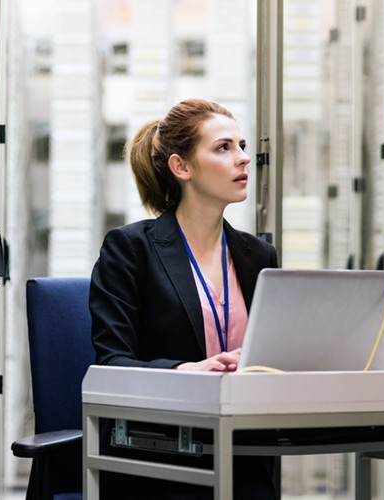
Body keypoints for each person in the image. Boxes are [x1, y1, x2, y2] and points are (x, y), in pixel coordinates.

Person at [90, 98, 279, 499]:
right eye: (224, 147)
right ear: (182, 167)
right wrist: (184, 370)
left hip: (243, 449)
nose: (244, 159)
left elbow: (272, 354)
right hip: (158, 454)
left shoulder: (258, 255)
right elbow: (112, 360)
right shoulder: (130, 248)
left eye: (242, 146)